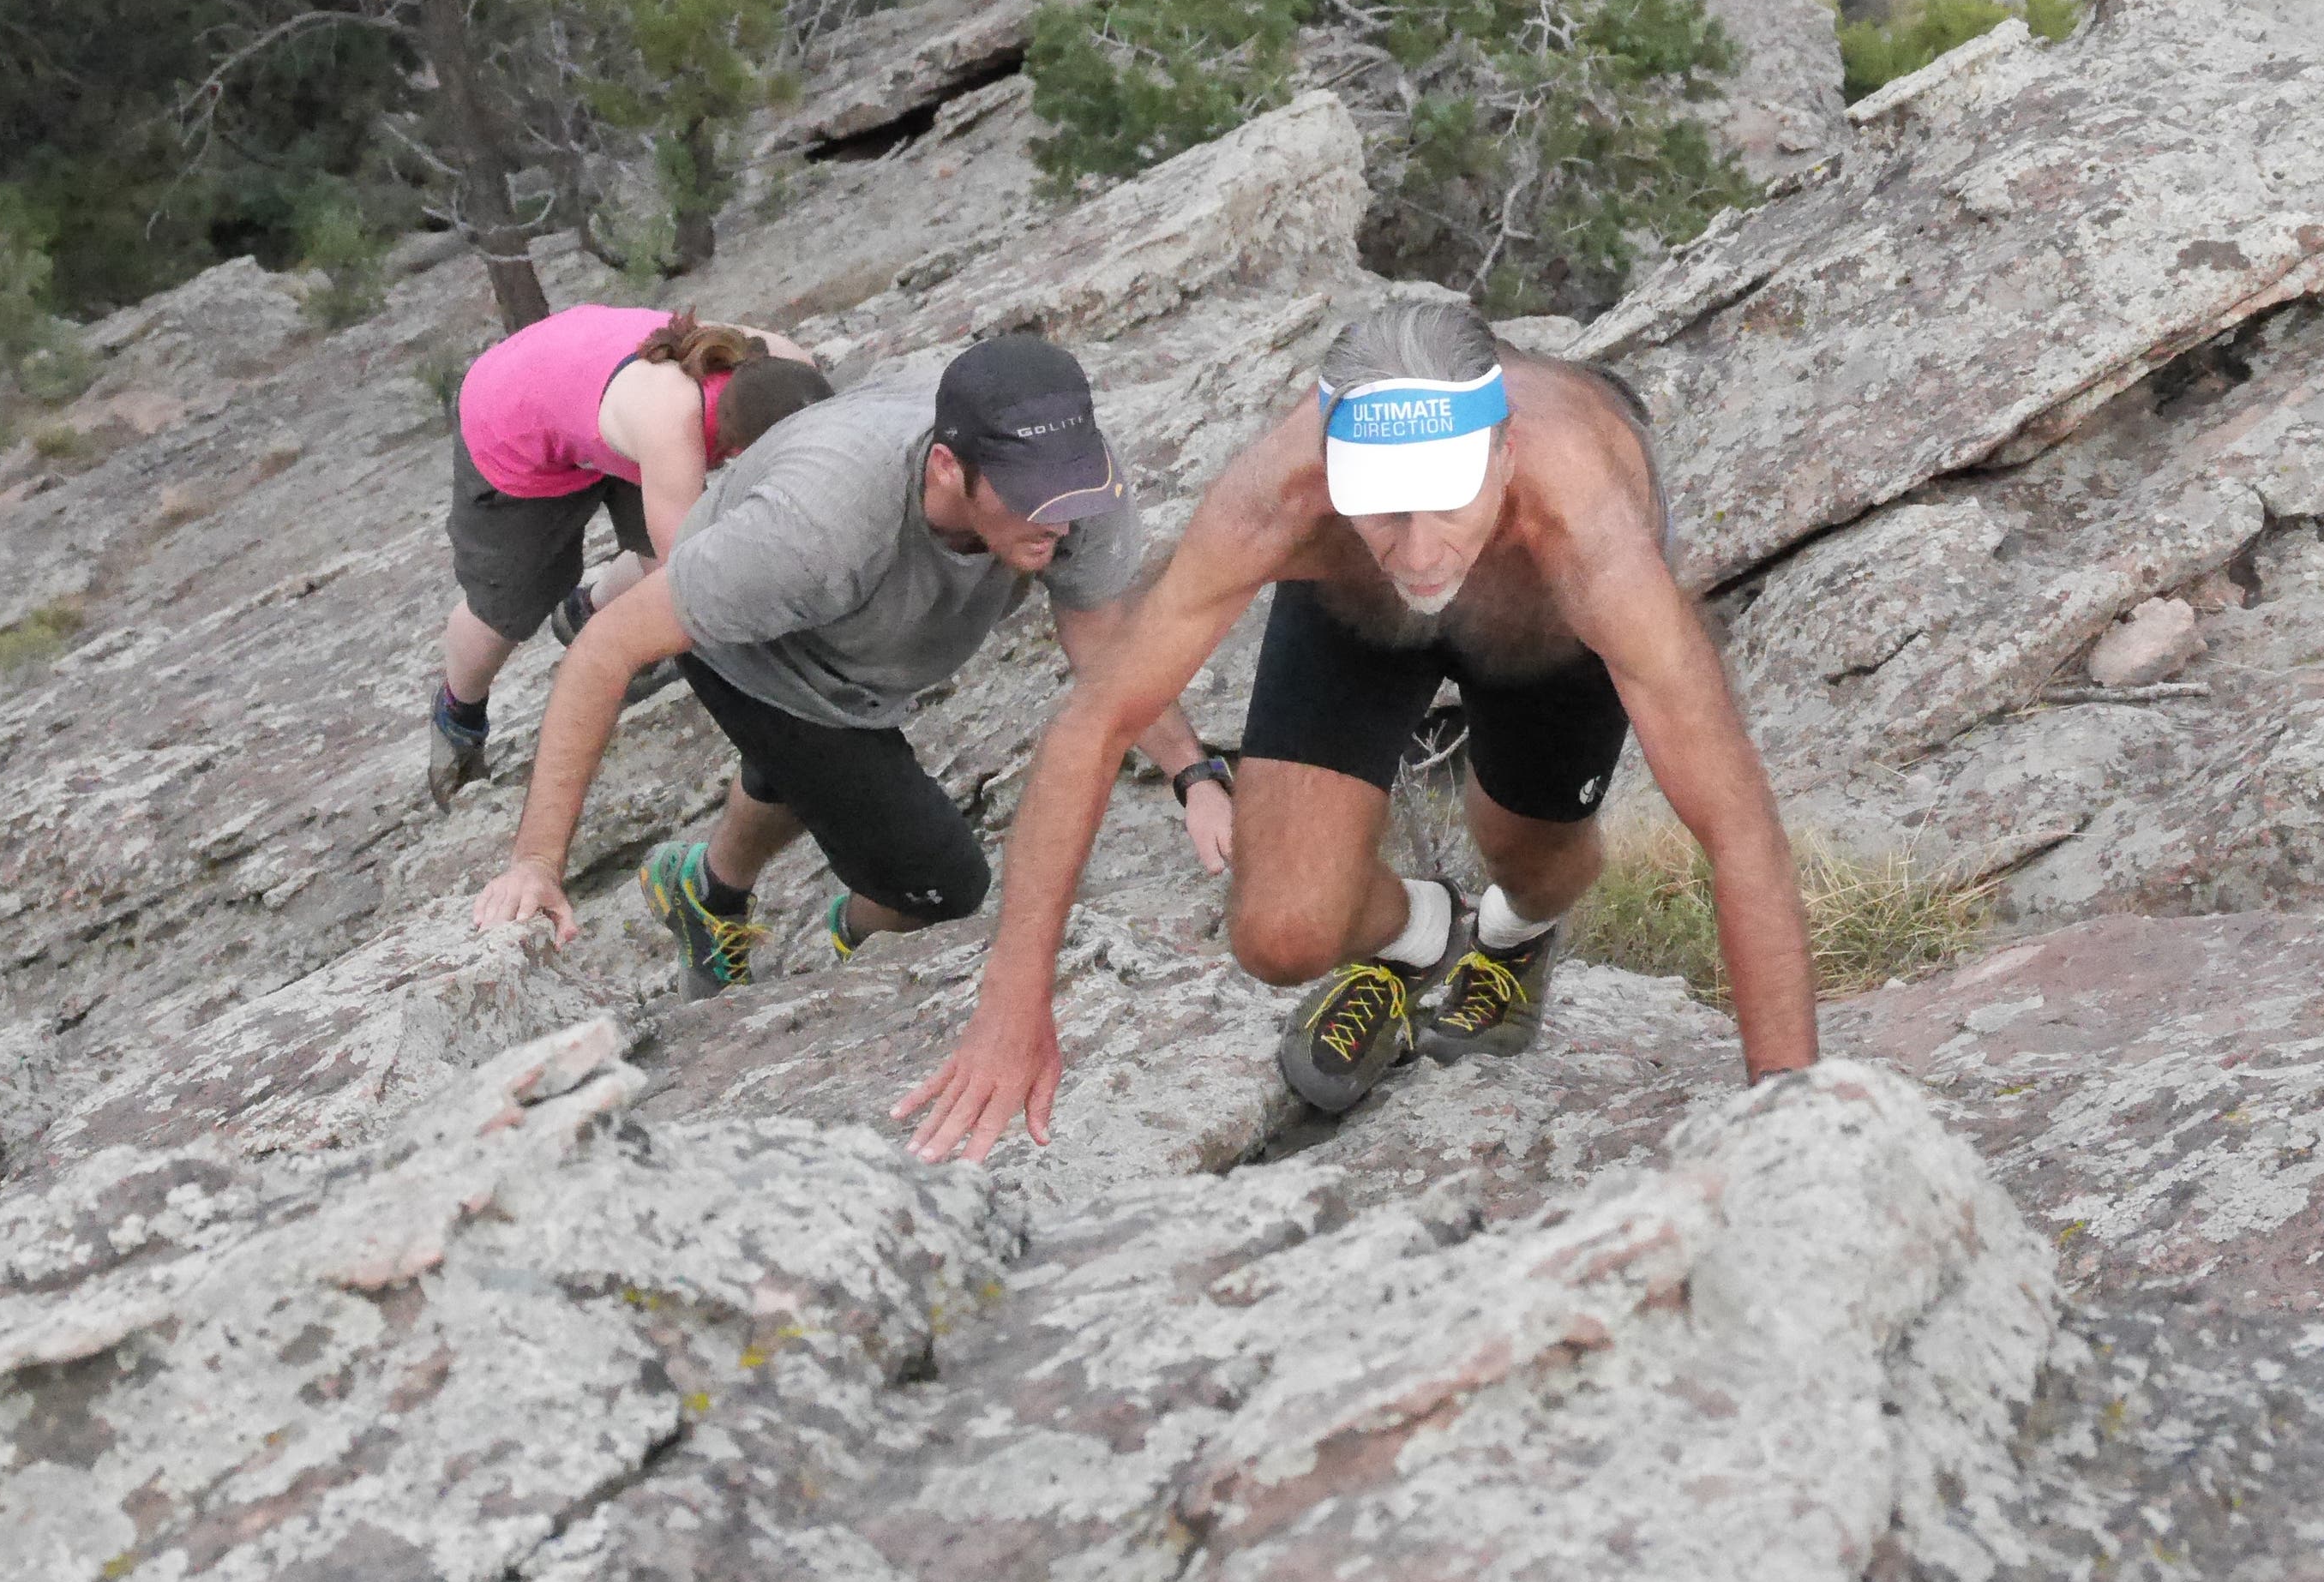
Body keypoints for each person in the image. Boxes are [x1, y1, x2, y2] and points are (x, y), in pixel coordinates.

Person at [898, 296, 1816, 1164]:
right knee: (1280, 934)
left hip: (1542, 620)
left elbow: (1734, 819)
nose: (1420, 551)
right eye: (1383, 506)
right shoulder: (1284, 495)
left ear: (1506, 456)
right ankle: (1420, 937)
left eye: (1447, 500)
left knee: (1532, 857)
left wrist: (1793, 1131)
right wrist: (1013, 1006)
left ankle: (1515, 934)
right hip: (1355, 607)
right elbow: (1095, 724)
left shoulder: (1587, 522)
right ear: (1333, 474)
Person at [470, 333, 1235, 994]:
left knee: (814, 779)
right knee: (940, 882)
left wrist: (1195, 777)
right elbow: (606, 646)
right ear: (947, 466)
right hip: (750, 649)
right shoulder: (817, 531)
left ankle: (706, 892)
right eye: (1033, 496)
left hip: (859, 646)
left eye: (1070, 490)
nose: (1061, 520)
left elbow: (1107, 645)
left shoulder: (1075, 487)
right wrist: (536, 863)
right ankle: (858, 937)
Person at [431, 304, 829, 806]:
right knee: (510, 604)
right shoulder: (672, 424)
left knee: (676, 543)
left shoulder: (792, 370)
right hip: (513, 416)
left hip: (592, 380)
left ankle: (586, 613)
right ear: (732, 447)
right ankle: (458, 714)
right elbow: (688, 575)